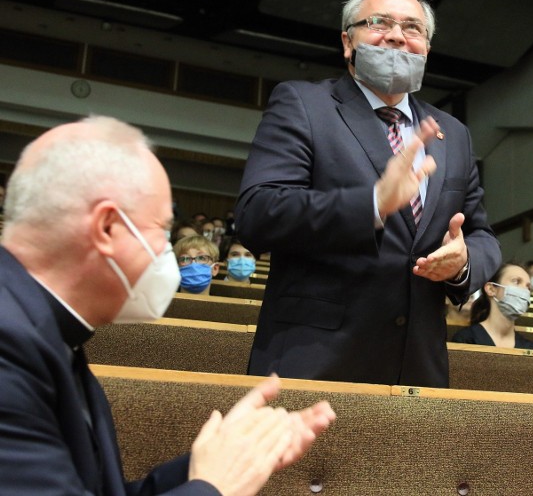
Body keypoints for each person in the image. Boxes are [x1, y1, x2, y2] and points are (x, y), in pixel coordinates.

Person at [0, 116, 335, 495]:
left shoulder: (45, 333)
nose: (166, 252)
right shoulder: (8, 347)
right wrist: (216, 487)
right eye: (161, 229)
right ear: (107, 227)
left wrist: (216, 461)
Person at [235, 0, 501, 388]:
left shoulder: (453, 133)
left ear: (426, 47)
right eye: (379, 23)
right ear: (348, 43)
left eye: (412, 28)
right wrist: (373, 203)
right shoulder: (304, 104)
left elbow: (482, 234)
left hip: (417, 368)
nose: (397, 36)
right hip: (312, 363)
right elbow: (258, 214)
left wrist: (463, 263)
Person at [451, 263, 533, 350]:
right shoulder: (465, 340)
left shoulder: (531, 348)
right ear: (491, 289)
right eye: (516, 281)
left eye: (528, 287)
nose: (524, 290)